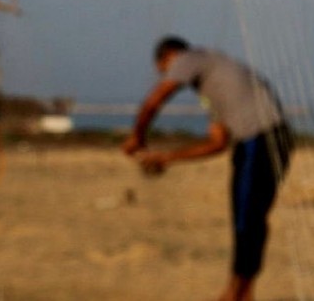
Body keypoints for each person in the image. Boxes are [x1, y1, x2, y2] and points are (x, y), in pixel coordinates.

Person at [123, 36, 293, 301]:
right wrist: (166, 158)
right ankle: (241, 290)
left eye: (164, 70)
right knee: (247, 218)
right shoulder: (213, 87)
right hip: (260, 140)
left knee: (248, 218)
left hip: (261, 137)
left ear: (168, 57)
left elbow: (156, 99)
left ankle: (238, 292)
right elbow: (217, 143)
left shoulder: (190, 58)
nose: (168, 75)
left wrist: (138, 135)